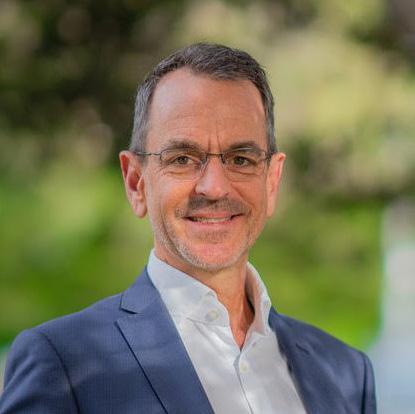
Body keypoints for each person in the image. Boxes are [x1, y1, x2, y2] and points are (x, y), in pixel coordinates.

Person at [0, 43, 376, 414]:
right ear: (136, 182)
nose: (214, 187)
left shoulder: (345, 373)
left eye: (240, 159)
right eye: (182, 158)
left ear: (272, 181)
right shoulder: (64, 364)